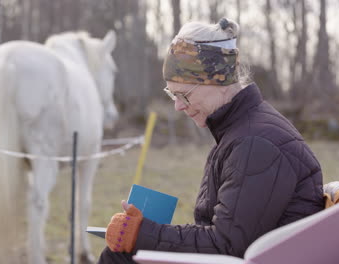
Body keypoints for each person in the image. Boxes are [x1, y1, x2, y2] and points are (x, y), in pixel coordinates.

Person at [97, 18, 324, 263]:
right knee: (120, 254)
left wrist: (145, 234)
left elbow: (227, 246)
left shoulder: (256, 144)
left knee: (120, 257)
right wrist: (144, 233)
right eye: (172, 94)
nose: (178, 106)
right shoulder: (241, 132)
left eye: (183, 94)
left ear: (218, 80)